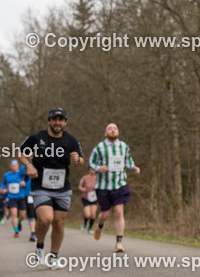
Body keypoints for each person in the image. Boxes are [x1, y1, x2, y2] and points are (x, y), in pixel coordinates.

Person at [18, 108, 85, 268]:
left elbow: (81, 160)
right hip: (41, 185)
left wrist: (78, 159)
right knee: (45, 219)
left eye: (60, 119)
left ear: (65, 122)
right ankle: (40, 247)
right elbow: (20, 152)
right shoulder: (37, 138)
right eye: (54, 119)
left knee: (59, 223)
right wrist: (28, 165)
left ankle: (54, 256)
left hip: (62, 187)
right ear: (49, 121)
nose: (57, 122)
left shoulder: (70, 140)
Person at [89, 123, 140, 253]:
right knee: (105, 214)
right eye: (109, 129)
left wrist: (133, 167)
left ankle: (119, 243)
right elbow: (92, 162)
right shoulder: (99, 147)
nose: (113, 130)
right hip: (103, 186)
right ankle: (99, 226)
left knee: (118, 212)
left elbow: (128, 160)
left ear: (118, 132)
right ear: (105, 133)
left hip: (119, 184)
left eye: (115, 128)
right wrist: (99, 168)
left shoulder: (124, 146)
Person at [1, 159, 28, 238]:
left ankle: (19, 221)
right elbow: (3, 183)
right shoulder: (7, 175)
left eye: (15, 166)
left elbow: (27, 181)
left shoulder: (21, 173)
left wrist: (24, 183)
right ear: (10, 167)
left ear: (18, 166)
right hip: (12, 197)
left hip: (21, 196)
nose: (14, 167)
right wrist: (3, 189)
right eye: (12, 166)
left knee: (23, 215)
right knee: (13, 213)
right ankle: (16, 231)